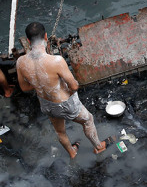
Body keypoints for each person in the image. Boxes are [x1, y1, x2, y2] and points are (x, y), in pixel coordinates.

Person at [16, 22, 107, 158]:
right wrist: (69, 91)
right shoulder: (56, 61)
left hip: (46, 104)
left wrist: (41, 85)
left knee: (60, 131)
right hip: (65, 103)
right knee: (88, 120)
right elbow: (74, 86)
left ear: (28, 41)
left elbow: (24, 88)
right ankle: (98, 147)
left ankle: (71, 152)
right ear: (46, 37)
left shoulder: (21, 62)